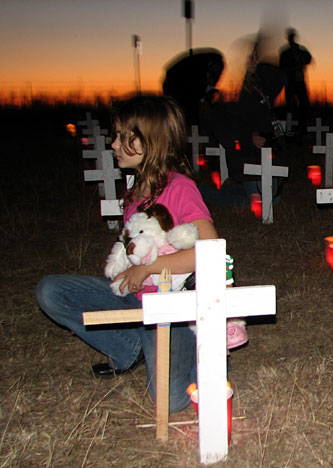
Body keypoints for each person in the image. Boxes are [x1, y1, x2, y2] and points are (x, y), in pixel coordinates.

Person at [35, 95, 218, 413]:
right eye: (116, 136)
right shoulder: (135, 192)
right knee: (51, 292)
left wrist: (148, 269)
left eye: (123, 137)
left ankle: (200, 350)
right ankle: (130, 348)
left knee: (172, 400)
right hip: (136, 300)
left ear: (151, 141)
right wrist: (127, 272)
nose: (114, 144)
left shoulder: (179, 187)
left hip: (172, 306)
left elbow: (210, 249)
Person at [200, 41, 288, 206]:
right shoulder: (232, 91)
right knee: (260, 203)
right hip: (247, 156)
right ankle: (202, 195)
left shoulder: (261, 85)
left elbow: (281, 77)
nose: (254, 62)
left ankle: (231, 187)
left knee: (273, 200)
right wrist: (248, 137)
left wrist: (260, 64)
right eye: (250, 59)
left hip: (266, 155)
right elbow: (221, 126)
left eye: (256, 58)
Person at [279, 27, 312, 132]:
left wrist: (301, 58)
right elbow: (282, 67)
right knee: (290, 106)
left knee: (304, 105)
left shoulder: (300, 50)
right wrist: (292, 68)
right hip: (290, 82)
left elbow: (309, 59)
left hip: (300, 81)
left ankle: (303, 128)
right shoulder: (285, 53)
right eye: (290, 37)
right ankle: (291, 130)